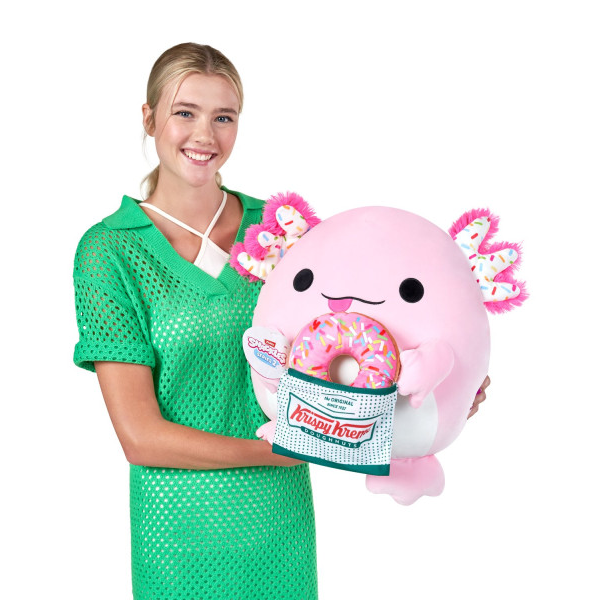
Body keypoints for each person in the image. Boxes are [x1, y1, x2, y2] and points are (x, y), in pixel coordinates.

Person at [73, 42, 490, 600]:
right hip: (177, 538)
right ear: (148, 119)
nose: (205, 135)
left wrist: (436, 392)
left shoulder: (281, 232)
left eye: (224, 117)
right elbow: (141, 437)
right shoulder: (108, 251)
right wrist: (286, 449)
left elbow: (357, 338)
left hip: (279, 530)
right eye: (184, 113)